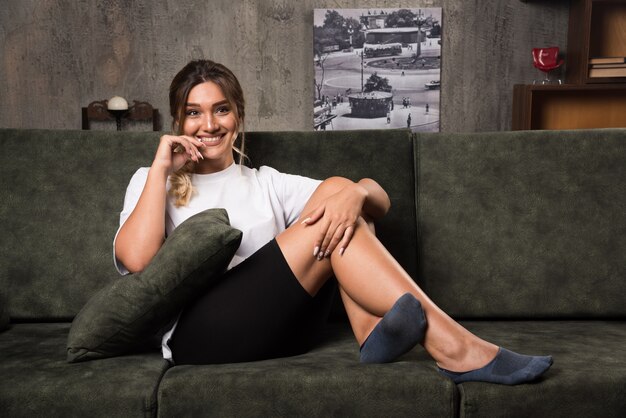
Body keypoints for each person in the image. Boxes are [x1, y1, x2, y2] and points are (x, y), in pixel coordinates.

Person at [114, 59, 552, 385]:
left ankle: (370, 332)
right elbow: (137, 261)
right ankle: (455, 348)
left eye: (221, 110)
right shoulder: (153, 181)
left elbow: (377, 201)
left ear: (238, 116)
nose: (209, 124)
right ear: (179, 122)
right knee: (338, 197)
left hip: (285, 330)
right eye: (194, 112)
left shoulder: (266, 182)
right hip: (200, 337)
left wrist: (357, 192)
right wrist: (160, 170)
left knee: (340, 190)